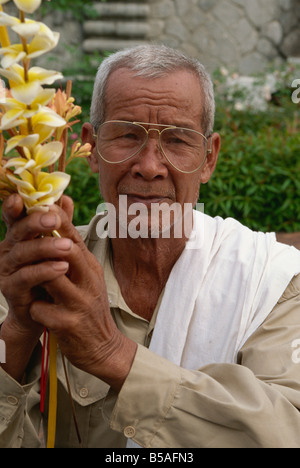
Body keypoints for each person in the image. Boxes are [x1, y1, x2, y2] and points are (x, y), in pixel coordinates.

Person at [0, 45, 300, 449]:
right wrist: (18, 331)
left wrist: (112, 354)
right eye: (126, 135)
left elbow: (287, 430)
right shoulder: (34, 271)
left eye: (177, 140)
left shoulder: (273, 282)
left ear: (208, 159)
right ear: (90, 147)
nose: (150, 166)